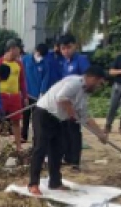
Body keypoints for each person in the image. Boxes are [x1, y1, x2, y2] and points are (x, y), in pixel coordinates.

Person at [28, 68, 110, 196]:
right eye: (100, 84)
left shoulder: (85, 93)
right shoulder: (74, 82)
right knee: (40, 148)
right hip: (44, 114)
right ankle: (33, 184)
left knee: (57, 150)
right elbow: (61, 98)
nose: (99, 87)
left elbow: (85, 117)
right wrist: (71, 110)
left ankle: (55, 182)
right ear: (93, 79)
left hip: (58, 119)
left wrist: (100, 134)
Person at [48, 34, 89, 167]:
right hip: (64, 100)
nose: (66, 51)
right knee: (64, 129)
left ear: (75, 46)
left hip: (76, 100)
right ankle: (67, 156)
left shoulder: (81, 60)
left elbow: (86, 80)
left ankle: (75, 159)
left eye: (68, 48)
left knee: (74, 129)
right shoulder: (64, 62)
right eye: (63, 48)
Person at [0, 39, 26, 155]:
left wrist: (24, 95)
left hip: (15, 96)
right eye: (18, 49)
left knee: (16, 121)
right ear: (12, 49)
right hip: (1, 96)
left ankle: (19, 147)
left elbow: (22, 81)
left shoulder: (19, 64)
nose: (20, 52)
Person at [22, 43, 49, 140]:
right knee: (25, 115)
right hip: (25, 93)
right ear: (35, 50)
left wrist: (42, 92)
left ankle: (35, 137)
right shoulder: (25, 59)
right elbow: (21, 75)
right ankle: (23, 136)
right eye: (38, 53)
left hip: (37, 95)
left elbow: (45, 79)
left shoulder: (45, 64)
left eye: (41, 55)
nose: (39, 56)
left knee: (36, 118)